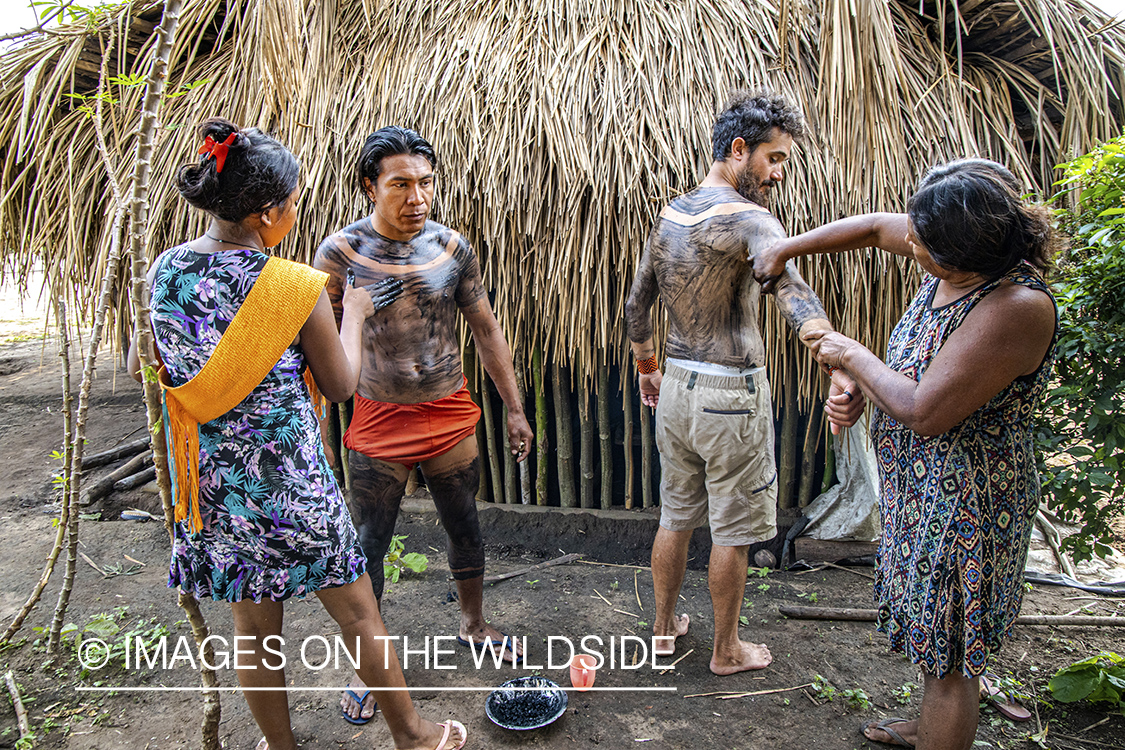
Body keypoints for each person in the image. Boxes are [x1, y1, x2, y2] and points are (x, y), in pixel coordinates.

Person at [128, 117, 466, 750]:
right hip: (289, 483)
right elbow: (340, 385)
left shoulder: (168, 272)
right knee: (360, 613)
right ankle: (414, 738)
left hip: (215, 484)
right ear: (266, 213)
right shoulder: (292, 288)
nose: (294, 212)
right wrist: (357, 314)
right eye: (291, 203)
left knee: (253, 631)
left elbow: (149, 360)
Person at [754, 158, 1058, 749]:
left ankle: (942, 726)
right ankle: (931, 728)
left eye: (922, 247)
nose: (909, 245)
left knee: (951, 660)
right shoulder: (955, 248)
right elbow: (872, 228)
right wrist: (786, 250)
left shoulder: (1015, 308)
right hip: (922, 489)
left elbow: (924, 407)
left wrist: (851, 357)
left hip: (967, 504)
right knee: (933, 634)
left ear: (964, 253)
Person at [623, 91, 864, 675]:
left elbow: (636, 308)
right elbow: (792, 295)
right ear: (739, 150)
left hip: (677, 389)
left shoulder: (671, 215)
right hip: (731, 396)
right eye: (775, 159)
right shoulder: (751, 219)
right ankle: (726, 651)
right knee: (733, 530)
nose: (779, 175)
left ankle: (662, 628)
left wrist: (649, 370)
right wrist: (837, 365)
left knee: (675, 515)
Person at [314, 126, 534, 722]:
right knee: (368, 547)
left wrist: (514, 408)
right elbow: (317, 346)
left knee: (466, 528)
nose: (417, 197)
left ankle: (473, 624)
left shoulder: (450, 248)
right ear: (369, 187)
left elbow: (487, 330)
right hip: (379, 415)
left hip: (448, 409)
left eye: (426, 183)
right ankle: (369, 671)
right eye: (401, 185)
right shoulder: (338, 256)